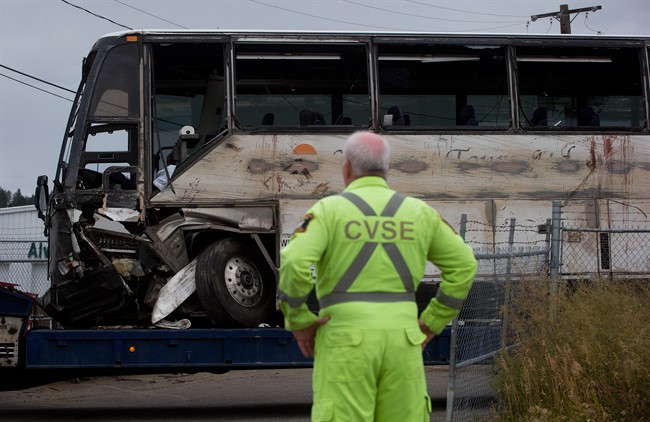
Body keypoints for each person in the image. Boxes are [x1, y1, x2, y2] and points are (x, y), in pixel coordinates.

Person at [278, 131, 477, 421]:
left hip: (345, 340)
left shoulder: (328, 211)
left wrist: (298, 320)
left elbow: (295, 261)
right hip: (404, 340)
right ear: (387, 170)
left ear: (346, 168)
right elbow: (464, 265)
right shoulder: (419, 213)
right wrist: (433, 321)